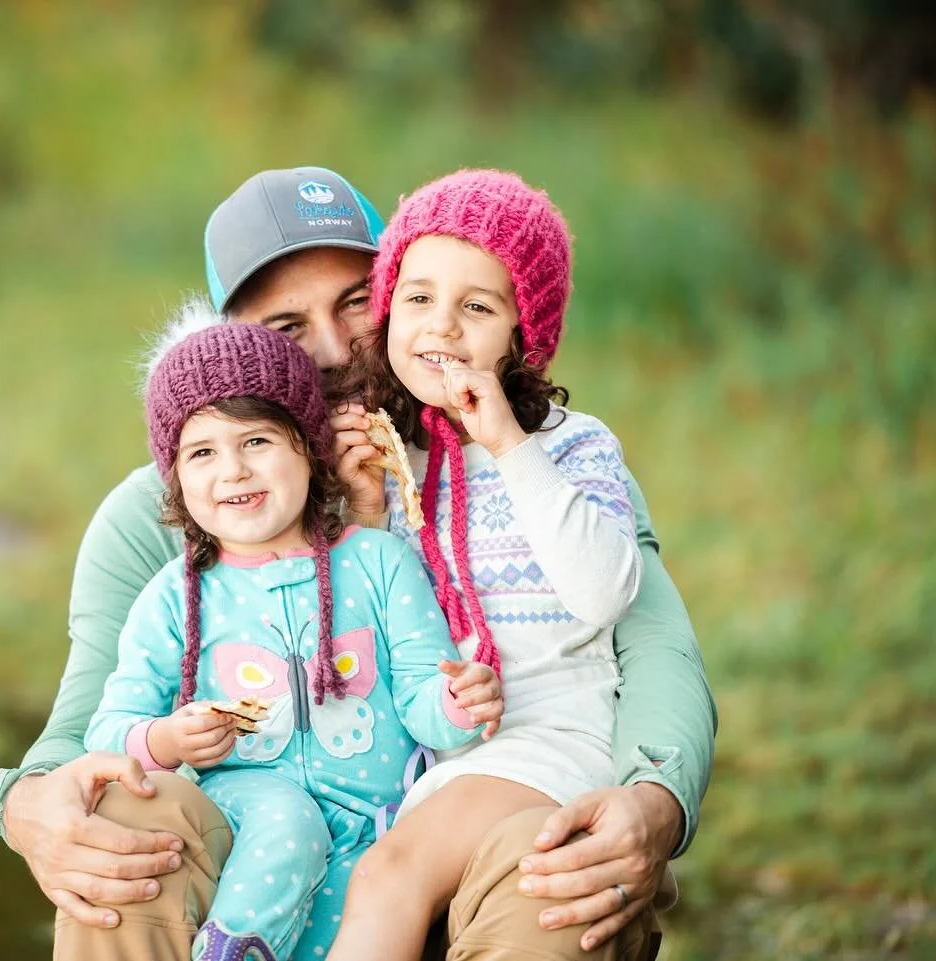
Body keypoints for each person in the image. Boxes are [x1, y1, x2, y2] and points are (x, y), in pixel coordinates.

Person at [0, 166, 717, 960]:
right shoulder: (168, 509)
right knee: (124, 818)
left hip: (477, 820)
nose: (336, 350)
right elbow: (84, 722)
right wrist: (31, 807)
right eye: (289, 326)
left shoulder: (528, 455)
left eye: (355, 302)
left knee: (549, 874)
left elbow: (657, 649)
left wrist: (653, 804)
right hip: (262, 857)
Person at [84, 319, 502, 960]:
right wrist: (166, 740)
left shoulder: (379, 563)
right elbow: (109, 729)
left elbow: (424, 696)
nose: (233, 470)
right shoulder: (175, 597)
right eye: (202, 453)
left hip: (374, 823)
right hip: (244, 811)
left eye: (257, 440)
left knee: (360, 912)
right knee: (290, 820)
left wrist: (459, 704)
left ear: (308, 447)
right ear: (174, 478)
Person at [323, 168, 645, 960]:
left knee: (390, 876)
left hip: (551, 741)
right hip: (446, 750)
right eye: (418, 297)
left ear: (523, 335)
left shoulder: (573, 445)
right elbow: (372, 644)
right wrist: (365, 514)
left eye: (477, 306)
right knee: (390, 880)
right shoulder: (392, 460)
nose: (442, 327)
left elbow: (605, 590)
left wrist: (510, 445)